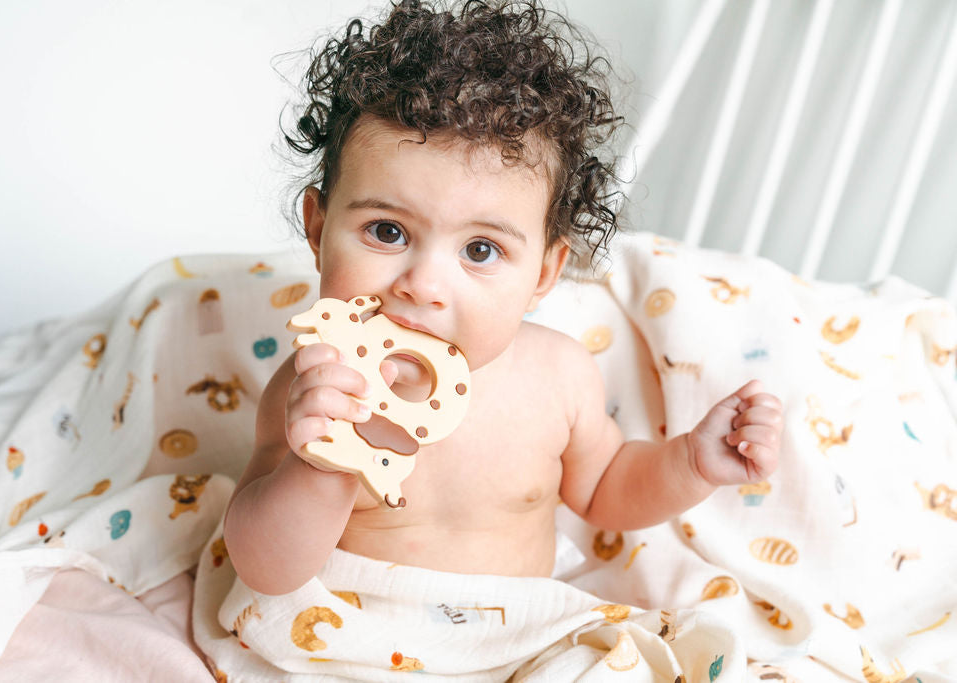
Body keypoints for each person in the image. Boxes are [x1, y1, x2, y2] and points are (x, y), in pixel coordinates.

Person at [223, 0, 783, 596]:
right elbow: (265, 571)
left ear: (544, 273)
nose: (423, 285)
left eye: (480, 249)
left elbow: (606, 489)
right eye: (387, 231)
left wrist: (690, 464)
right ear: (317, 230)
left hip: (516, 631)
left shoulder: (558, 376)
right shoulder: (315, 390)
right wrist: (318, 466)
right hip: (357, 627)